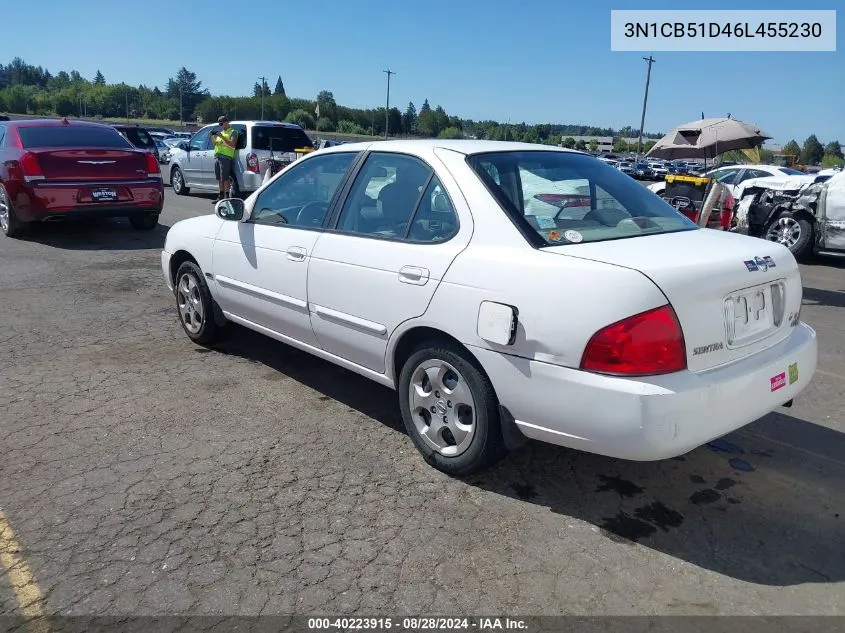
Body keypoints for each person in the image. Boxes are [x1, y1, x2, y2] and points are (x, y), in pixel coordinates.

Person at [210, 116, 239, 202]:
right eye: (219, 124)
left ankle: (226, 196)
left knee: (225, 178)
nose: (221, 125)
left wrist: (222, 137)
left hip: (226, 157)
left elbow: (233, 144)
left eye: (222, 123)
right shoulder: (221, 132)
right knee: (219, 178)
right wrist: (212, 136)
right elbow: (215, 143)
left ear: (227, 122)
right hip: (218, 157)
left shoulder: (233, 132)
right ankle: (220, 195)